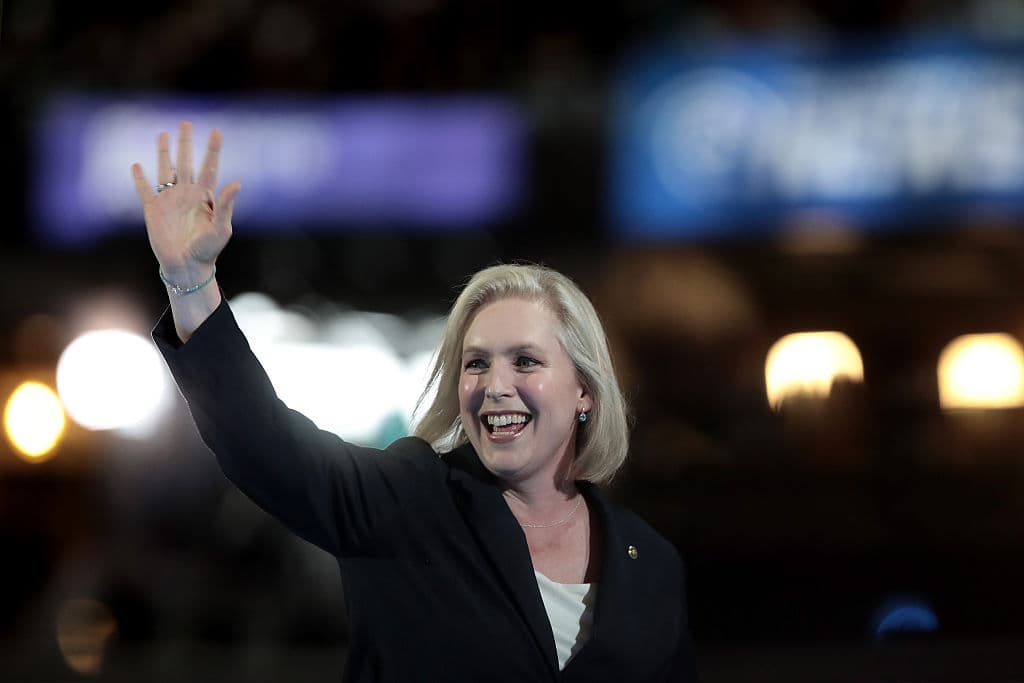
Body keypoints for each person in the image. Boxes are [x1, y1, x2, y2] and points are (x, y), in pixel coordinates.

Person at [133, 121, 697, 682]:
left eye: (525, 361)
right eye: (476, 363)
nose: (495, 384)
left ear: (585, 391)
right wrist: (191, 283)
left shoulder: (650, 563)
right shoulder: (408, 500)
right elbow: (263, 443)